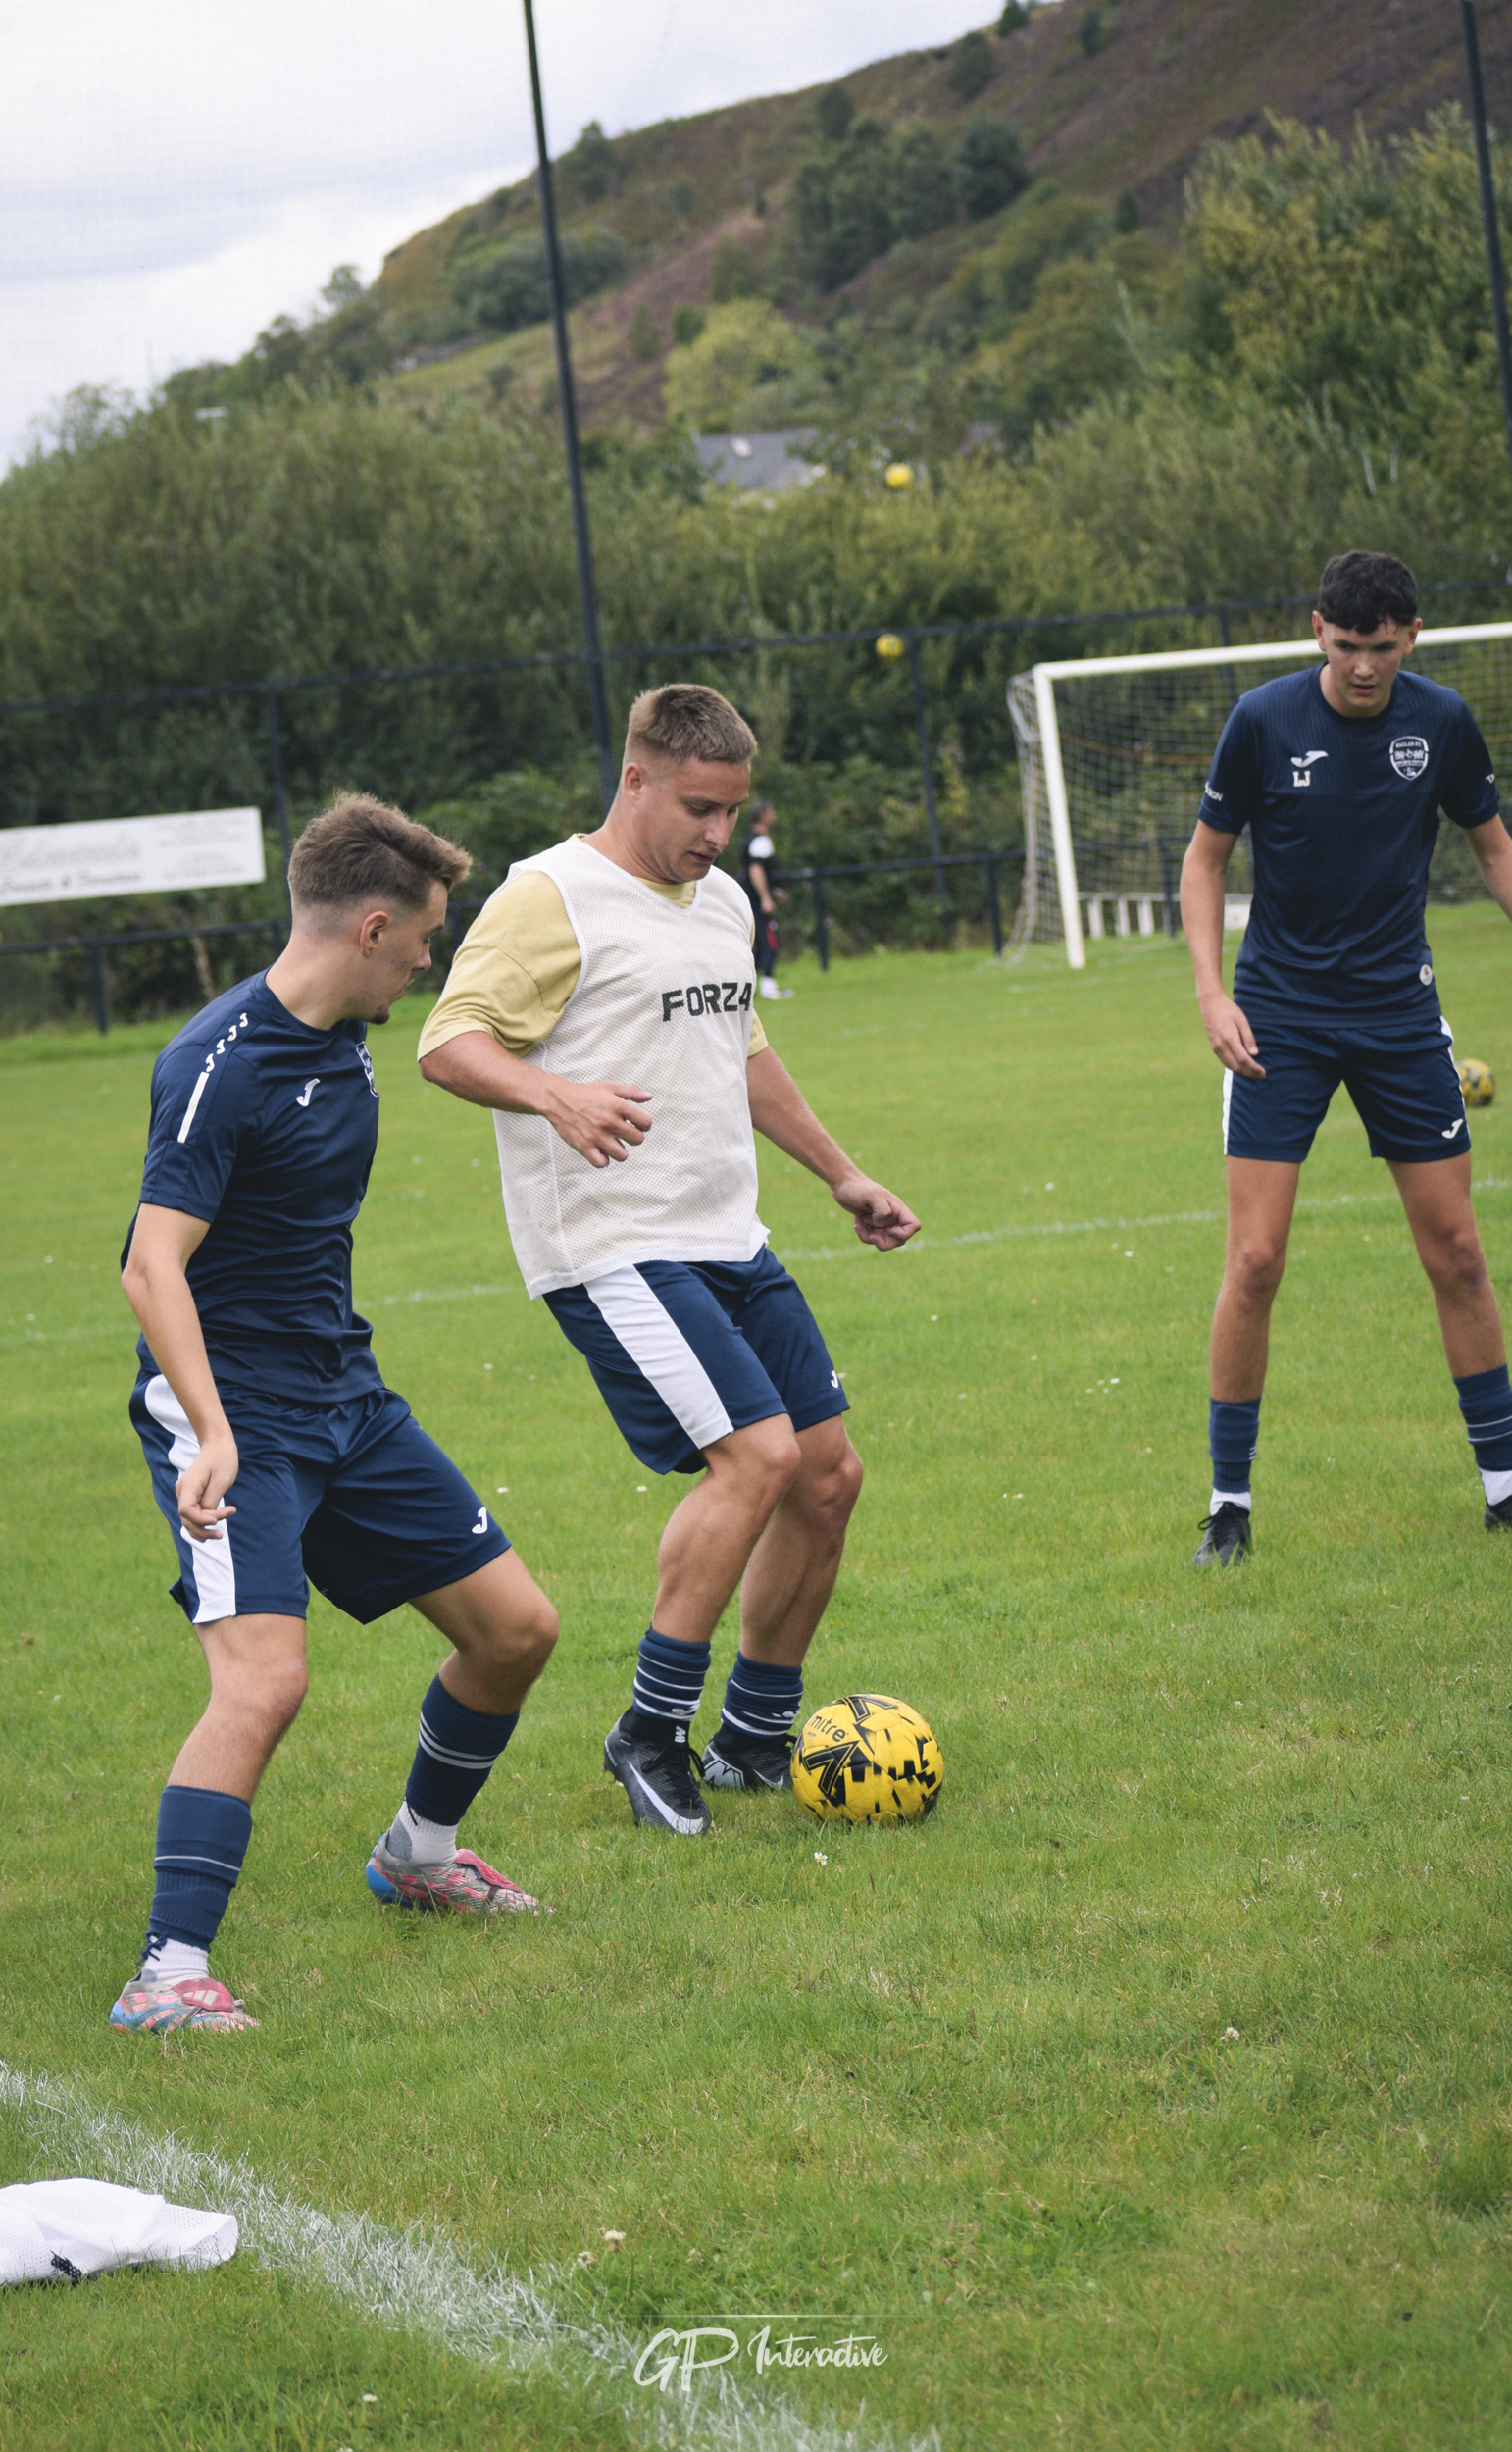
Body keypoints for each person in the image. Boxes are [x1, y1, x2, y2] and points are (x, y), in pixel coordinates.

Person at [417, 684, 920, 1836]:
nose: (715, 835)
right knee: (755, 1458)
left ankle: (752, 1736)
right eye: (698, 807)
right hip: (608, 1245)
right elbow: (449, 1040)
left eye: (733, 813)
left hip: (723, 1232)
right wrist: (555, 1093)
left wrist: (839, 1172)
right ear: (635, 777)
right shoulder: (550, 896)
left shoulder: (723, 902)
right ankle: (649, 1730)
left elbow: (739, 1047)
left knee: (827, 1474)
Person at [111, 796, 559, 2036]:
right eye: (422, 937)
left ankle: (418, 1852)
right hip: (232, 1412)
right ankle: (166, 1973)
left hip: (342, 1397)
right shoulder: (216, 1064)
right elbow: (153, 1268)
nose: (430, 957)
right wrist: (211, 1430)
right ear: (370, 929)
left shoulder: (345, 1030)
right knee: (264, 1681)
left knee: (515, 1629)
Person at [1180, 550, 1512, 1566]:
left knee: (1454, 1250)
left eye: (1380, 647)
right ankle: (1226, 1508)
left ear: (1409, 638)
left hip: (1399, 1018)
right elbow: (1203, 858)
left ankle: (1504, 1492)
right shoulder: (1262, 721)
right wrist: (1209, 992)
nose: (1362, 667)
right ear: (1315, 628)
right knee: (1254, 1258)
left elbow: (1493, 844)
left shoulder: (1439, 721)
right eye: (1344, 644)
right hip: (1276, 1016)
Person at [742, 800, 791, 999]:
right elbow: (755, 869)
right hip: (757, 902)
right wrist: (765, 898)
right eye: (771, 811)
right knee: (769, 942)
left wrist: (772, 890)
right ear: (763, 815)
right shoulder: (760, 840)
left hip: (750, 899)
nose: (774, 814)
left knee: (758, 944)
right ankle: (768, 987)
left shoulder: (748, 839)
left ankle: (745, 988)